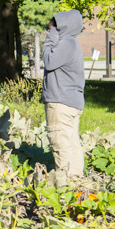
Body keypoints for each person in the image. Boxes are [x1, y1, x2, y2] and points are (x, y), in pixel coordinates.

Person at [43, 10, 86, 178]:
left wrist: (52, 34)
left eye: (52, 23)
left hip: (60, 102)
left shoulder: (67, 43)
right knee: (72, 143)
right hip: (70, 102)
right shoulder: (72, 43)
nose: (49, 26)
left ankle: (64, 184)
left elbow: (48, 61)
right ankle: (75, 182)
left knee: (60, 142)